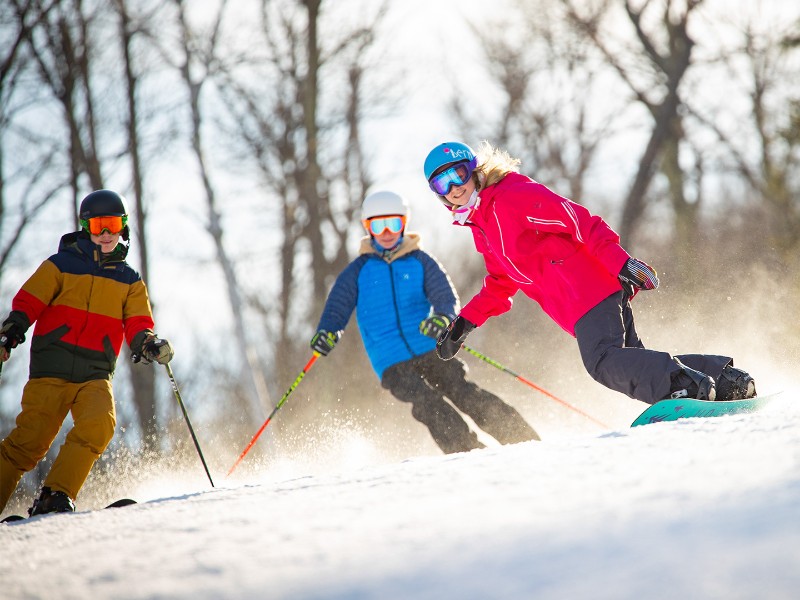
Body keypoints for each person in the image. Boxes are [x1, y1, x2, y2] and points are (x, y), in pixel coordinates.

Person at [422, 141, 756, 405]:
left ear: (475, 171)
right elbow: (501, 282)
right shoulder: (482, 227)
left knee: (602, 362)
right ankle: (725, 381)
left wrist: (619, 262)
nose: (453, 187)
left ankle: (684, 385)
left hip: (587, 288)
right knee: (631, 362)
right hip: (581, 297)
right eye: (442, 182)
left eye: (459, 174)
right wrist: (464, 324)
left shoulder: (510, 196)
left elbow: (577, 220)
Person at [310, 190, 539, 454]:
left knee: (462, 390)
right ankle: (468, 451)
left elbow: (444, 295)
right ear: (367, 227)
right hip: (389, 359)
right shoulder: (357, 272)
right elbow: (337, 307)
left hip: (428, 345)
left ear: (404, 224)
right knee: (426, 403)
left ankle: (522, 438)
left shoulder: (420, 261)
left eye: (393, 224)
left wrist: (442, 319)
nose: (386, 232)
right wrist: (328, 332)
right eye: (378, 225)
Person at [0, 189, 173, 518]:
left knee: (99, 424)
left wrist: (149, 344)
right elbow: (29, 301)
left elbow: (138, 323)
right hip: (51, 370)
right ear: (85, 228)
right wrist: (11, 332)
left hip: (95, 373)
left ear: (123, 227)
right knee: (29, 443)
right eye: (98, 226)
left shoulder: (129, 280)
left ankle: (56, 494)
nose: (106, 235)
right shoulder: (60, 266)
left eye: (112, 225)